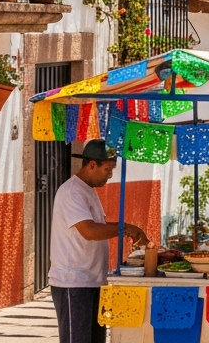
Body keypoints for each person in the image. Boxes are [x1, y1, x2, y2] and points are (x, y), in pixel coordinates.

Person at [50, 139, 148, 343]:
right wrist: (123, 228)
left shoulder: (88, 190)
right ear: (92, 165)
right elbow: (89, 231)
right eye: (107, 170)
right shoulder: (72, 192)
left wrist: (126, 227)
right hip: (73, 283)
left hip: (93, 280)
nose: (110, 175)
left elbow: (98, 225)